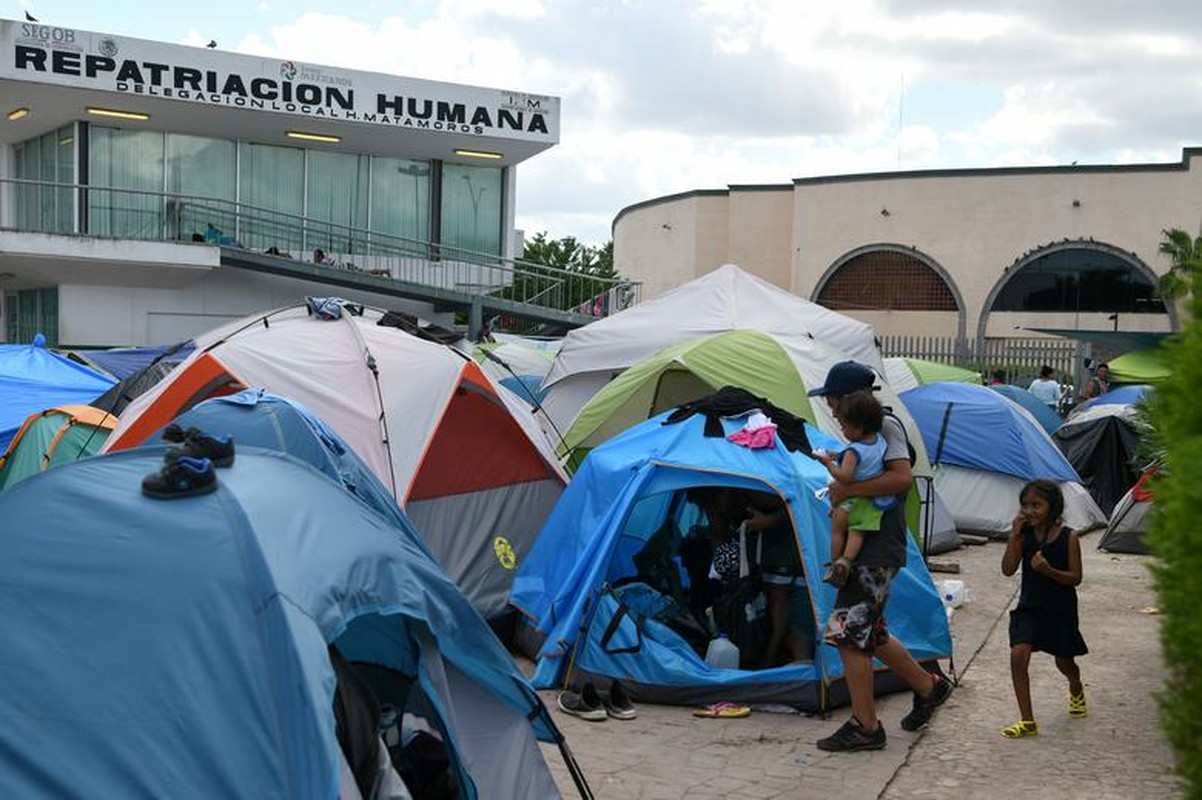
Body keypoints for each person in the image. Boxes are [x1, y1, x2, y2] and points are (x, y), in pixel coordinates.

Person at [808, 361, 954, 752]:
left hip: (876, 546)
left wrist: (848, 492)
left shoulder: (884, 426)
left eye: (833, 399)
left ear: (847, 397)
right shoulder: (863, 428)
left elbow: (901, 478)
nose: (832, 408)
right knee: (870, 630)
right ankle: (929, 685)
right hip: (872, 546)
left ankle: (866, 726)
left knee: (848, 633)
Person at [999, 479, 1088, 738]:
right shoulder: (1024, 535)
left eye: (1036, 505)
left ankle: (1076, 686)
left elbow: (1075, 578)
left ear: (1052, 507)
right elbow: (1007, 570)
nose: (1029, 511)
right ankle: (1027, 721)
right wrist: (1014, 535)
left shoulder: (1069, 536)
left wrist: (1047, 571)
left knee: (1065, 662)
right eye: (1025, 505)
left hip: (1060, 609)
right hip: (1030, 607)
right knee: (1018, 654)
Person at [813, 390, 897, 588]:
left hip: (848, 500)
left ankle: (835, 563)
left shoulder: (853, 451)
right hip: (869, 502)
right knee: (857, 533)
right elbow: (866, 459)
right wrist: (837, 455)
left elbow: (844, 476)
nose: (842, 430)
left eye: (843, 426)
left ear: (858, 428)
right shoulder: (879, 442)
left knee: (838, 531)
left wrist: (828, 463)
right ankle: (847, 560)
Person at [745, 490, 802, 669]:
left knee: (779, 601)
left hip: (783, 556)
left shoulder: (776, 483)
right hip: (763, 556)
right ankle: (773, 652)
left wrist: (770, 521)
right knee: (771, 603)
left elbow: (798, 502)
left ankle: (774, 653)